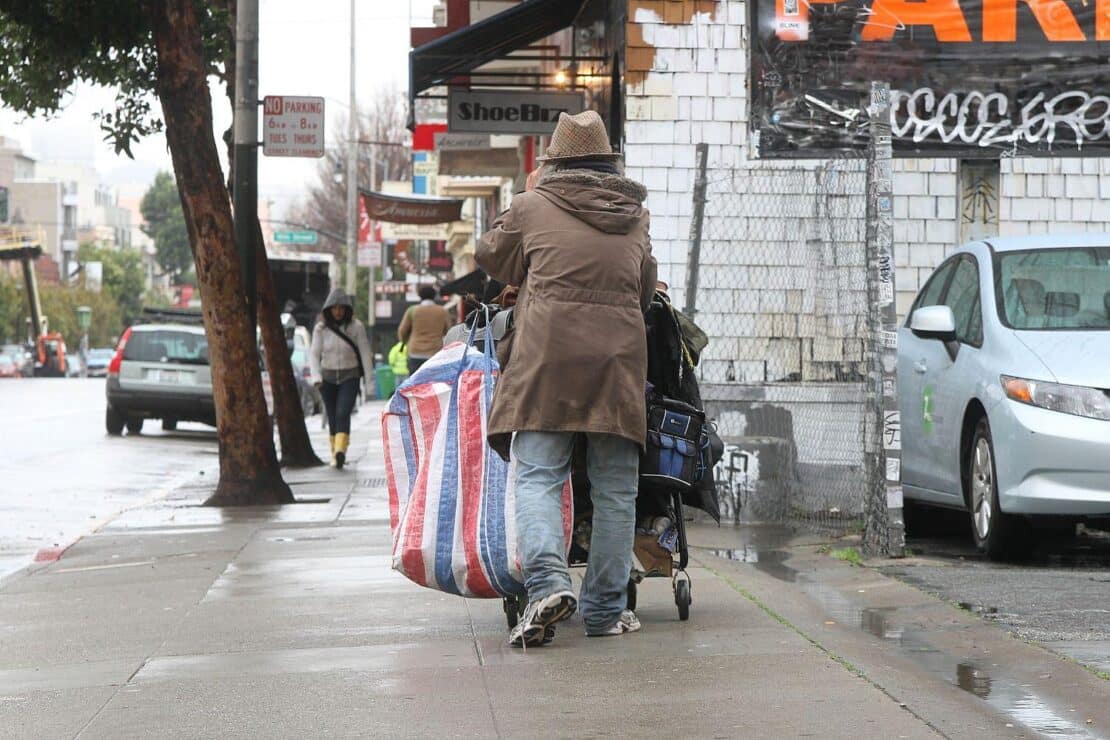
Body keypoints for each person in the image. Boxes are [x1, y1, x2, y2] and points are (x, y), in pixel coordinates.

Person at [476, 110, 657, 647]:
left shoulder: (533, 206)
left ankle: (549, 585)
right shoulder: (636, 215)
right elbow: (644, 291)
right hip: (618, 362)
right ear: (608, 161)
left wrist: (525, 202)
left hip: (547, 359)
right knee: (617, 491)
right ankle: (604, 612)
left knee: (538, 478)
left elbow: (492, 257)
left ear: (553, 163)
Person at [309, 288, 372, 469]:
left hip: (349, 376)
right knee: (332, 415)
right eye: (334, 308)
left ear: (347, 309)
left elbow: (365, 353)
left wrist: (369, 384)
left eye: (341, 308)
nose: (338, 311)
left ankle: (340, 451)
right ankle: (334, 453)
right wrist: (316, 377)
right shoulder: (320, 329)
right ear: (328, 309)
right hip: (327, 378)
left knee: (343, 412)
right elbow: (314, 354)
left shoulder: (356, 327)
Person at [397, 285, 452, 375]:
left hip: (415, 352)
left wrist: (404, 342)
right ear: (434, 296)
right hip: (435, 354)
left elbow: (402, 331)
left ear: (420, 296)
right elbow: (449, 332)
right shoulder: (443, 311)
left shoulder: (412, 310)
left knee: (415, 384)